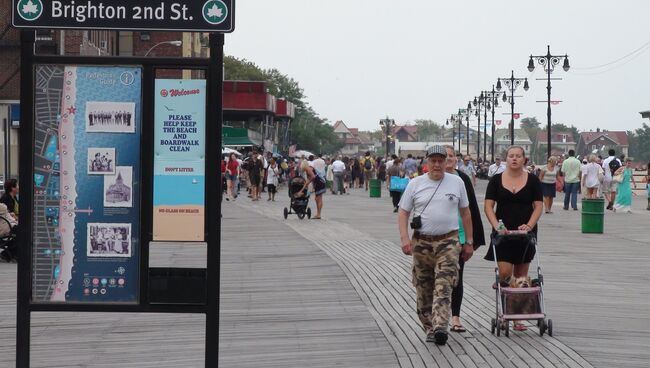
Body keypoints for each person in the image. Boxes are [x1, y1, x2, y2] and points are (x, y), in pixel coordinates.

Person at [398, 145, 474, 345]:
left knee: (444, 284)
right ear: (427, 163)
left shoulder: (456, 182)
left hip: (448, 241)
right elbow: (403, 212)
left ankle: (441, 325)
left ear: (446, 162)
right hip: (422, 242)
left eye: (441, 160)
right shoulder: (415, 184)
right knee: (423, 286)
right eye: (433, 161)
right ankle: (429, 325)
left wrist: (469, 242)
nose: (437, 164)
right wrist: (405, 238)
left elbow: (466, 213)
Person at [484, 145, 543, 332]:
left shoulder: (533, 180)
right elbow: (488, 207)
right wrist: (496, 225)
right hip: (503, 234)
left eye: (518, 156)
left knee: (521, 278)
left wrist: (530, 225)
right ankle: (504, 311)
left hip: (525, 234)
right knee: (505, 273)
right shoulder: (495, 180)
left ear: (524, 159)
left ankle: (517, 317)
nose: (514, 159)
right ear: (506, 159)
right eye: (511, 156)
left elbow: (539, 206)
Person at [444, 146, 485, 333]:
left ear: (456, 159)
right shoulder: (430, 179)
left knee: (457, 278)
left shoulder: (462, 179)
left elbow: (471, 210)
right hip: (437, 236)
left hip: (459, 235)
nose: (448, 159)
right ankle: (439, 316)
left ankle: (455, 317)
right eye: (445, 156)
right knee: (438, 279)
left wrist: (472, 239)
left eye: (451, 156)